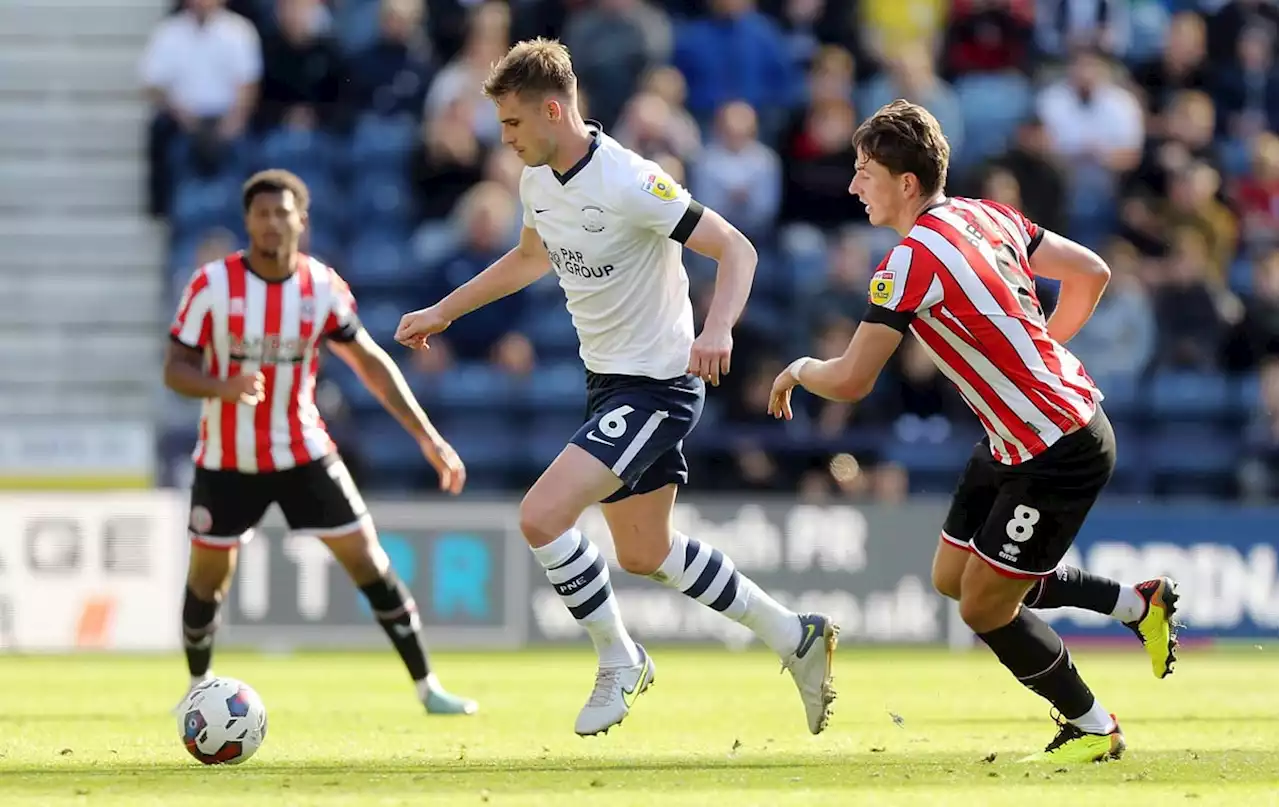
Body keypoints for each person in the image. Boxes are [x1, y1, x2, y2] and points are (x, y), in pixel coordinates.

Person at [395, 39, 837, 738]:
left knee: (541, 516)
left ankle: (619, 658)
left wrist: (717, 329)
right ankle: (794, 634)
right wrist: (446, 310)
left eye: (512, 124)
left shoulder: (634, 180)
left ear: (552, 109)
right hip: (608, 383)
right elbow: (530, 258)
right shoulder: (538, 180)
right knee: (644, 552)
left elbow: (736, 248)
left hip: (660, 385)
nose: (503, 139)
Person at [768, 100, 1179, 763]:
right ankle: (1137, 603)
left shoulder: (910, 261)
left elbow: (850, 380)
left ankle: (1094, 725)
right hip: (1015, 434)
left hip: (1058, 445)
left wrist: (798, 367)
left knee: (985, 608)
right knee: (956, 576)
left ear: (906, 184)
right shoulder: (988, 214)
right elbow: (1092, 272)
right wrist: (1043, 347)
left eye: (864, 171)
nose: (853, 185)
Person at [165, 169, 477, 717]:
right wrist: (223, 386)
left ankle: (428, 686)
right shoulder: (211, 286)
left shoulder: (320, 288)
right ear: (247, 222)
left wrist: (428, 438)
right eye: (261, 214)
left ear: (301, 220)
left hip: (303, 450)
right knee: (208, 578)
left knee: (369, 561)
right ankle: (197, 686)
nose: (271, 223)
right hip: (226, 458)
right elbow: (174, 369)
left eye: (281, 213)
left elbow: (371, 366)